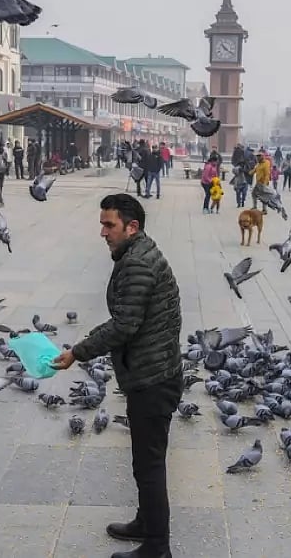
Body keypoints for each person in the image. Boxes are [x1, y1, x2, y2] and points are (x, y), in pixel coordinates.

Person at [50, 194, 183, 558]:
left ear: (132, 226)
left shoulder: (137, 264)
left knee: (149, 464)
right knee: (145, 461)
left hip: (152, 379)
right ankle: (147, 522)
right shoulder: (139, 252)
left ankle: (157, 547)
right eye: (102, 224)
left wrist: (78, 351)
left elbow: (125, 325)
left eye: (109, 225)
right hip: (156, 370)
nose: (103, 232)